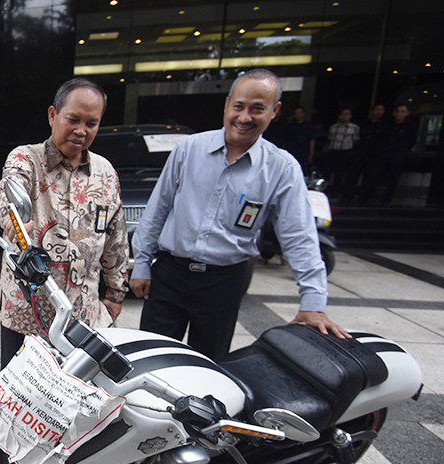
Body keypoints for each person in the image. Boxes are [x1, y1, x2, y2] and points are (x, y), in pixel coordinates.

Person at [129, 68, 349, 361]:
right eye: (239, 106)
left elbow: (299, 237)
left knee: (207, 366)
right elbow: (157, 210)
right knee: (150, 359)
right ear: (227, 104)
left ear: (275, 111)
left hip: (224, 282)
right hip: (170, 274)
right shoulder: (189, 150)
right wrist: (142, 264)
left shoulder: (281, 168)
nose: (245, 117)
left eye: (257, 109)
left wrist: (313, 302)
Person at [0, 77, 129, 365]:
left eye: (91, 123)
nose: (81, 131)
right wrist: (16, 221)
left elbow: (116, 238)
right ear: (53, 115)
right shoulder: (26, 159)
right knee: (20, 401)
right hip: (26, 316)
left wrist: (115, 294)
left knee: (77, 399)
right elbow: (10, 189)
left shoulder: (105, 172)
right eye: (73, 119)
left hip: (84, 317)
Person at [359, 102, 417, 206]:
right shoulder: (388, 124)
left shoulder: (410, 125)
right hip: (383, 154)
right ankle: (364, 198)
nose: (399, 114)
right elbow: (380, 138)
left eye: (402, 112)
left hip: (398, 155)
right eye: (398, 112)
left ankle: (386, 199)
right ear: (394, 113)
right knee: (373, 176)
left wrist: (403, 151)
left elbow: (412, 140)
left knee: (393, 179)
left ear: (407, 113)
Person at [340, 103, 386, 203]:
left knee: (369, 177)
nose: (378, 112)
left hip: (375, 154)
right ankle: (348, 196)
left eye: (381, 110)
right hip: (361, 152)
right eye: (377, 109)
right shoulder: (365, 123)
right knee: (353, 175)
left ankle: (363, 198)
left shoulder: (385, 125)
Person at [324, 107, 360, 198]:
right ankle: (326, 191)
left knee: (339, 174)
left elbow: (355, 141)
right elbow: (329, 139)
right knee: (327, 173)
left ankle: (335, 193)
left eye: (347, 114)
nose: (344, 116)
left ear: (350, 116)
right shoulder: (334, 127)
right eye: (343, 114)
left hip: (345, 153)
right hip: (333, 151)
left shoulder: (354, 127)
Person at [283, 105, 316, 176]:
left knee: (303, 172)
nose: (298, 115)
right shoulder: (290, 126)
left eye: (300, 113)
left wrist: (311, 154)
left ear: (303, 113)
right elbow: (285, 140)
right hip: (292, 152)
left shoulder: (308, 126)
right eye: (296, 113)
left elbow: (312, 140)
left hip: (304, 153)